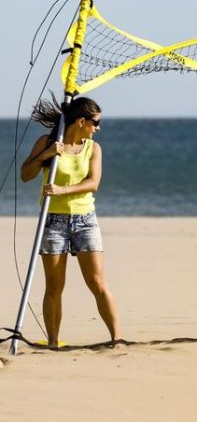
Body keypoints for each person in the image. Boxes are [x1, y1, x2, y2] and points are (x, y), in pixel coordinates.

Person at [20, 96, 120, 348]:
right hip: (52, 221)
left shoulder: (93, 148)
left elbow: (93, 183)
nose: (98, 128)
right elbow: (25, 175)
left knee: (97, 283)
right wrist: (47, 154)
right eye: (95, 122)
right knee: (54, 285)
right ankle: (53, 342)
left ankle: (117, 339)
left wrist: (61, 190)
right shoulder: (48, 142)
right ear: (81, 121)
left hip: (85, 220)